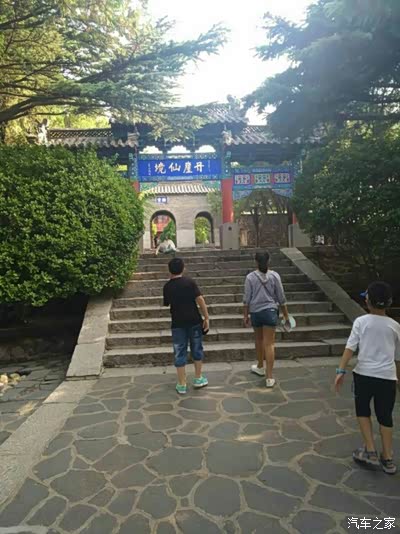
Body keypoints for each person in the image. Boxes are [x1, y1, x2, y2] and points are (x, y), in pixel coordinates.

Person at [335, 281, 400, 475]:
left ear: (368, 301)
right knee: (385, 416)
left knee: (363, 411)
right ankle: (387, 457)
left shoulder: (361, 322)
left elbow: (350, 347)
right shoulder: (395, 326)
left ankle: (370, 450)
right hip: (387, 377)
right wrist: (397, 379)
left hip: (364, 375)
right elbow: (398, 358)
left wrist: (340, 371)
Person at [243, 251, 290, 388]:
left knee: (258, 340)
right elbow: (281, 298)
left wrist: (245, 315)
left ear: (256, 262)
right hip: (270, 311)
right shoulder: (275, 276)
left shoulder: (250, 277)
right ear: (269, 261)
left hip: (255, 312)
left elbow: (246, 299)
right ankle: (269, 377)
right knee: (269, 344)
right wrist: (286, 315)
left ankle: (260, 366)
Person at [163, 257, 209, 394]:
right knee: (197, 348)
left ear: (169, 270)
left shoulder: (167, 286)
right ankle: (198, 378)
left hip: (177, 323)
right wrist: (206, 317)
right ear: (183, 268)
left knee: (179, 351)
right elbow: (200, 299)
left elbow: (167, 303)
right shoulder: (190, 282)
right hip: (194, 321)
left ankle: (182, 383)